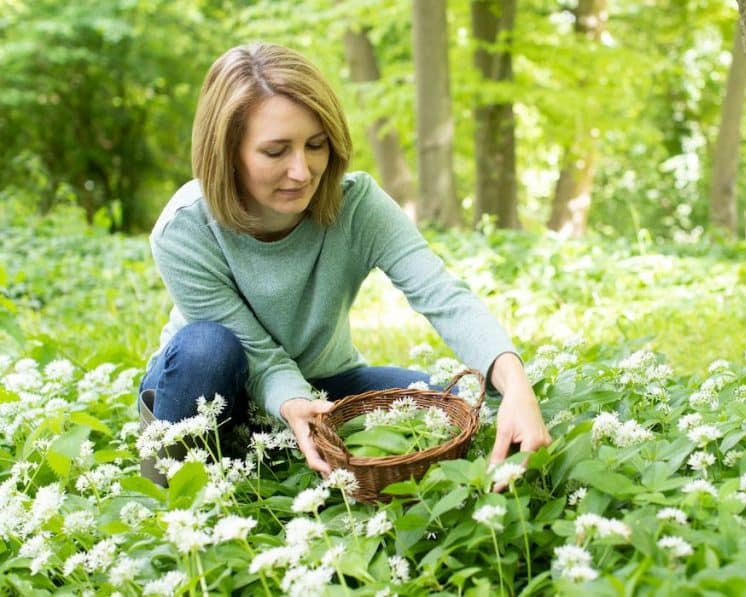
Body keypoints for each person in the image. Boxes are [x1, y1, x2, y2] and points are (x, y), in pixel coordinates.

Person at [139, 42, 550, 482]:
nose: (302, 171)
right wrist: (292, 403)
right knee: (207, 346)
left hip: (324, 385)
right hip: (215, 386)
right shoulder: (185, 228)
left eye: (315, 145)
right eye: (276, 152)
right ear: (228, 152)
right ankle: (173, 479)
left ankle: (285, 449)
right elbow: (257, 355)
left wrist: (515, 384)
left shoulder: (357, 206)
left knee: (456, 398)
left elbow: (443, 296)